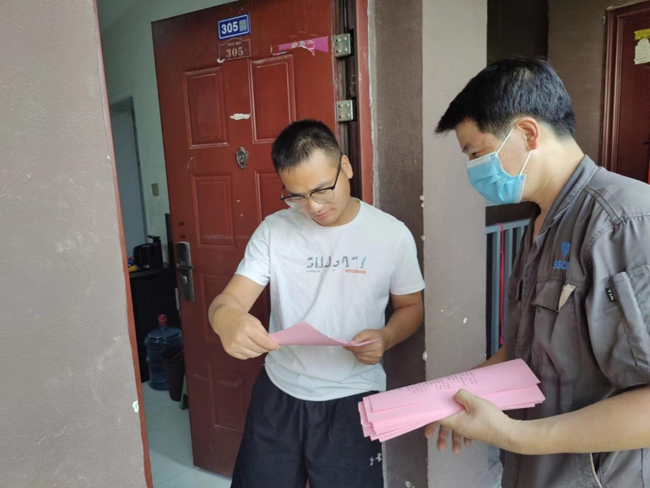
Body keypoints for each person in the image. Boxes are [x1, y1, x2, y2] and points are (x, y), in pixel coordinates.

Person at [428, 57, 650, 488]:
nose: (473, 168)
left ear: (528, 133)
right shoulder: (542, 221)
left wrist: (514, 435)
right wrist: (456, 394)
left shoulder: (623, 222)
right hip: (534, 473)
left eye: (477, 153)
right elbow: (527, 348)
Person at [208, 119, 425, 488]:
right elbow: (228, 301)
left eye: (322, 190)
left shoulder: (391, 234)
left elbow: (411, 307)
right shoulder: (275, 230)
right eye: (296, 195)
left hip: (354, 398)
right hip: (279, 392)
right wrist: (226, 319)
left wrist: (386, 338)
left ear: (346, 167)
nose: (313, 206)